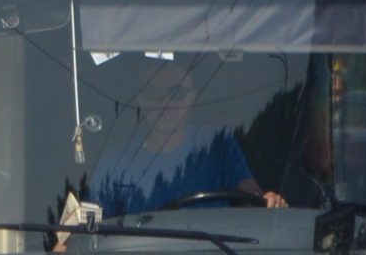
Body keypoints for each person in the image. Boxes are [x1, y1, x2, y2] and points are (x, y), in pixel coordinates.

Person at [84, 58, 286, 219]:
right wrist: (65, 243)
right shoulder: (113, 164)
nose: (165, 103)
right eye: (154, 93)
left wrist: (268, 201)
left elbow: (254, 197)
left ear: (192, 99)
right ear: (141, 100)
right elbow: (79, 231)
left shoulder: (217, 144)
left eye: (177, 93)